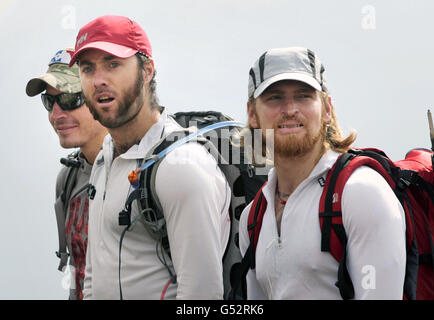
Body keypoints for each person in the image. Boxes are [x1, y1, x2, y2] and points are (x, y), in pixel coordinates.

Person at [69, 15, 231, 300]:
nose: (99, 80)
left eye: (113, 64)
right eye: (88, 69)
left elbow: (202, 297)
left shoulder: (182, 167)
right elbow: (94, 279)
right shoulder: (104, 158)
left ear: (147, 71)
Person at [238, 46, 406, 299]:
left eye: (304, 96)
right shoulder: (253, 216)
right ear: (252, 114)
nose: (290, 108)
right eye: (274, 97)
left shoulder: (362, 193)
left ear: (327, 109)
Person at [26, 47, 107, 300]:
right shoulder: (68, 179)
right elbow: (77, 274)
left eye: (70, 99)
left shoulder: (143, 175)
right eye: (49, 101)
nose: (56, 114)